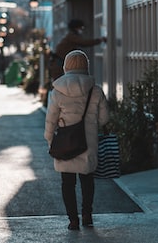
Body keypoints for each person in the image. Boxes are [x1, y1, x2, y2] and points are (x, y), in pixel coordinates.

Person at [44, 50, 109, 230]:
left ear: (66, 66)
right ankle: (87, 214)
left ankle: (73, 220)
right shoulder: (95, 90)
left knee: (67, 183)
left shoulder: (57, 91)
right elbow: (104, 119)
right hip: (87, 143)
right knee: (87, 180)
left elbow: (50, 119)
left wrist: (49, 139)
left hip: (65, 144)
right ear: (85, 66)